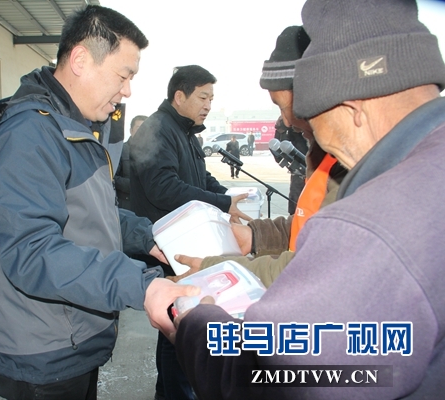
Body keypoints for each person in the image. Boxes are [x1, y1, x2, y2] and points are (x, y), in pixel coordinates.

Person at [173, 1, 445, 399]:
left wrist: (196, 323)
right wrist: (258, 236)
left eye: (311, 118)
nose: (299, 129)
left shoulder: (373, 226)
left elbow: (278, 378)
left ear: (352, 108)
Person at [0, 6, 197, 400]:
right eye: (123, 75)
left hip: (73, 338)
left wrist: (151, 237)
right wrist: (141, 285)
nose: (127, 91)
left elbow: (93, 213)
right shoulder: (29, 134)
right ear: (80, 60)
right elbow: (31, 251)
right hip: (42, 354)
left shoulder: (76, 126)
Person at [171, 25, 346, 290]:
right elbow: (311, 227)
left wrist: (217, 268)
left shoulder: (352, 164)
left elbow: (315, 264)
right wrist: (254, 236)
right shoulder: (324, 154)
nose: (288, 121)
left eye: (290, 107)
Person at [130, 65, 249, 400]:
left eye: (211, 98)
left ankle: (167, 393)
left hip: (187, 243)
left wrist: (227, 198)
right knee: (180, 328)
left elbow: (201, 178)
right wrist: (221, 202)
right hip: (168, 247)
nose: (208, 105)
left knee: (176, 327)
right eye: (203, 97)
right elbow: (163, 188)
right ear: (179, 96)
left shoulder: (185, 132)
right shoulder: (158, 129)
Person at [273, 116, 309, 214]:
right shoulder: (285, 124)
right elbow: (276, 148)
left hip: (316, 170)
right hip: (298, 172)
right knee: (296, 205)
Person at [115, 114, 147, 210]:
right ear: (131, 130)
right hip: (126, 205)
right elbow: (112, 178)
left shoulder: (155, 152)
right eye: (139, 128)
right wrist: (134, 185)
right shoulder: (120, 150)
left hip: (147, 206)